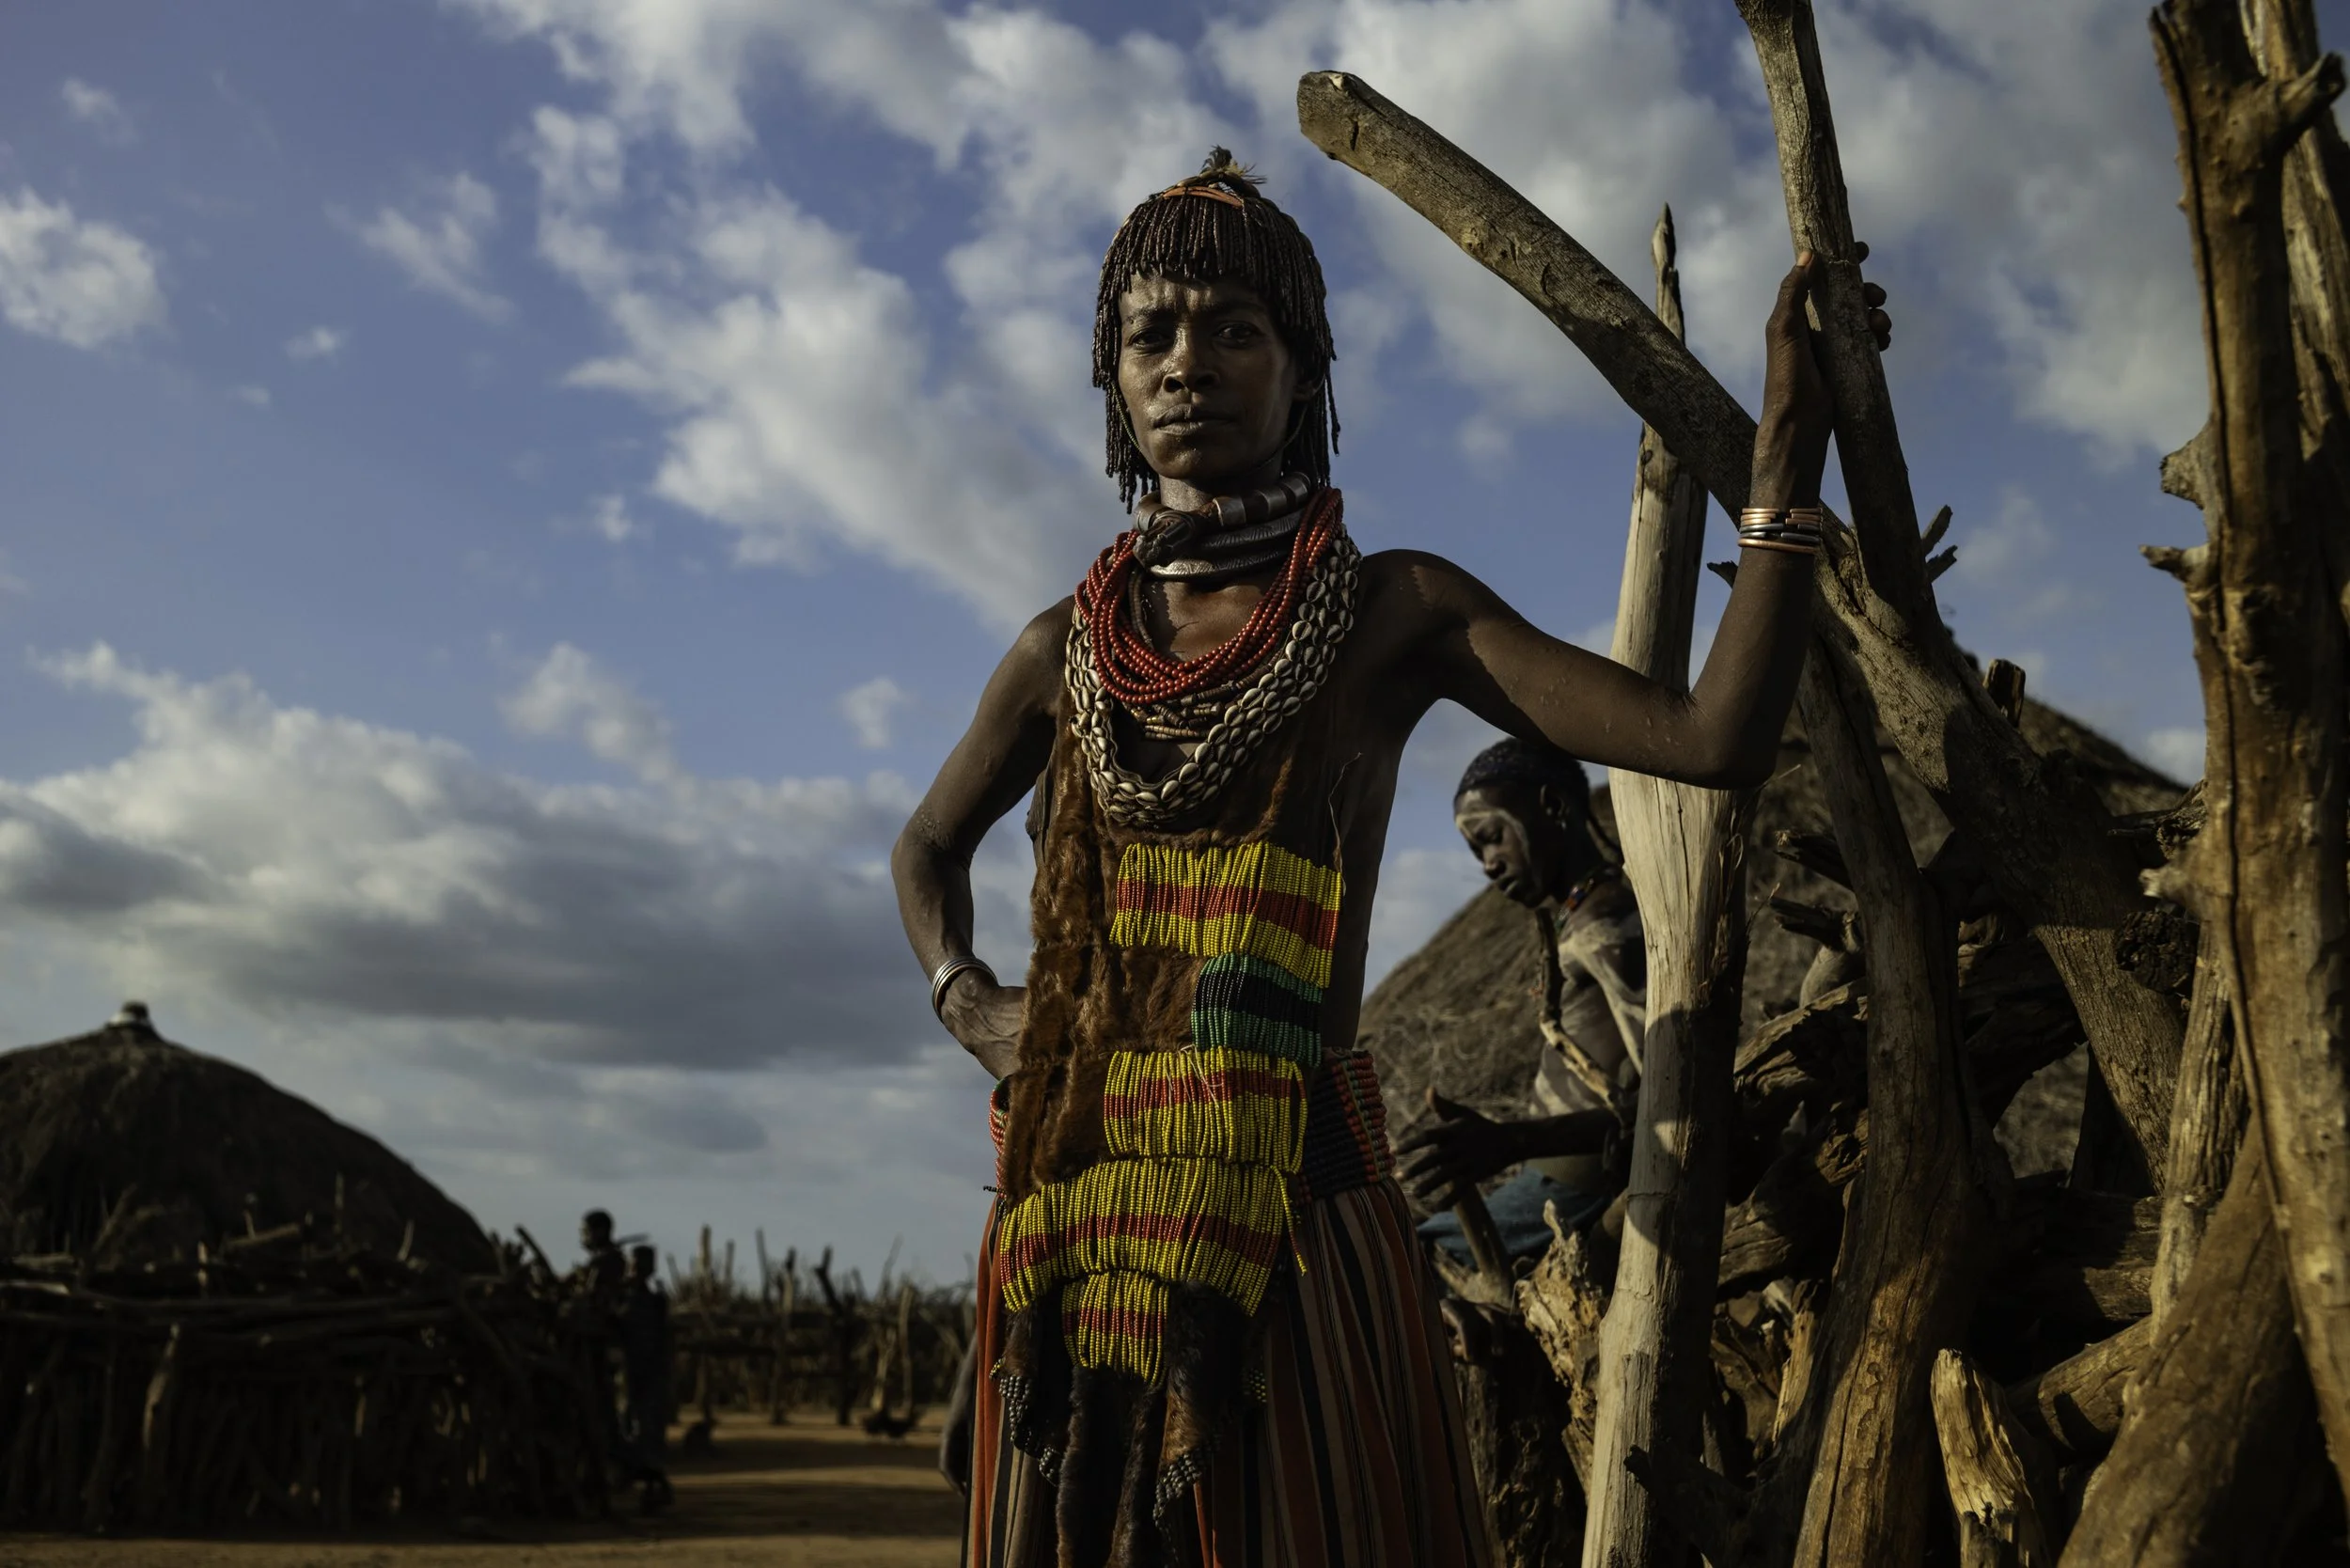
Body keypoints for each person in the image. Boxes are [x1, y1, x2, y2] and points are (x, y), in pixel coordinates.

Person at [891, 147, 1882, 1568]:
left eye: (1235, 330)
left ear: (1304, 372)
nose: (1186, 365)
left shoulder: (1387, 613)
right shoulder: (1064, 649)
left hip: (1292, 1227)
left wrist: (1786, 451)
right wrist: (971, 1001)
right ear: (1112, 377)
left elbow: (1710, 736)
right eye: (1150, 335)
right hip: (1075, 1219)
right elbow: (928, 848)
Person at [1400, 740, 1645, 1265]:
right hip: (1548, 1180)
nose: (1488, 865)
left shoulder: (1605, 927)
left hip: (1578, 1190)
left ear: (1552, 807)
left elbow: (1669, 1099)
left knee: (1411, 1261)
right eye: (1477, 853)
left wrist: (1511, 1142)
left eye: (1492, 838)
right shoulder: (1580, 919)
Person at [620, 1243, 675, 1513]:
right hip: (629, 1375)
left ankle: (654, 1487)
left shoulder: (654, 1301)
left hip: (649, 1374)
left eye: (641, 1264)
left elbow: (661, 1340)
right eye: (634, 1264)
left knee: (647, 1430)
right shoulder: (624, 1298)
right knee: (632, 1428)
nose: (636, 1269)